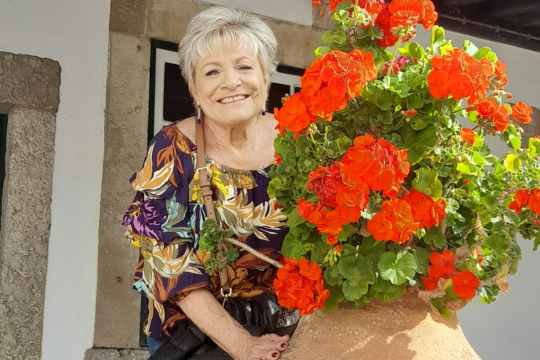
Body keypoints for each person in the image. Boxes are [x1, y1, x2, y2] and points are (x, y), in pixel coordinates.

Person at [122, 6, 291, 360]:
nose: (231, 82)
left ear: (266, 76)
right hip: (195, 335)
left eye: (244, 66)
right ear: (194, 89)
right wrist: (243, 345)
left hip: (286, 327)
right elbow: (172, 264)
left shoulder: (299, 142)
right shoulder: (172, 149)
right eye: (212, 71)